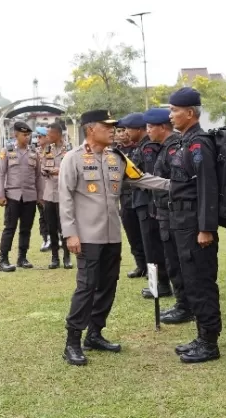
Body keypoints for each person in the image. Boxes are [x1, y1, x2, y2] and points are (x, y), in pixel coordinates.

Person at [59, 109, 169, 366]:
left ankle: (94, 334)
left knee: (108, 286)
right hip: (87, 236)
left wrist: (175, 185)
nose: (113, 130)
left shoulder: (116, 158)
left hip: (111, 236)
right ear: (90, 129)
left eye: (114, 126)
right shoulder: (73, 159)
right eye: (106, 126)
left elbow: (141, 179)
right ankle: (72, 342)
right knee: (86, 287)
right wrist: (70, 234)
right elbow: (64, 199)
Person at [164, 88, 222, 363]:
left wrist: (206, 228)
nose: (170, 115)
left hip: (194, 226)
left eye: (174, 110)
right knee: (191, 281)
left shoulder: (199, 143)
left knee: (201, 282)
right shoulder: (185, 141)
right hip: (182, 222)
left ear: (190, 113)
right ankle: (202, 336)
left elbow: (207, 187)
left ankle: (210, 343)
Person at [147, 107, 193, 324]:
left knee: (177, 261)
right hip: (165, 212)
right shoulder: (165, 147)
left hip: (174, 213)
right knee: (172, 259)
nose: (147, 131)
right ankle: (183, 304)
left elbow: (177, 183)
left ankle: (185, 307)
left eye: (150, 127)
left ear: (162, 127)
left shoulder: (173, 148)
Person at [123, 112, 172, 299]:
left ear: (138, 129)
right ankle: (157, 283)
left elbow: (150, 179)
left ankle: (160, 285)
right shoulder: (140, 147)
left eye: (128, 129)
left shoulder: (148, 149)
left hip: (148, 203)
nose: (126, 132)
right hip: (142, 203)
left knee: (153, 247)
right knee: (148, 246)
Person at [0, 121, 43, 272]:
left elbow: (38, 177)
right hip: (13, 196)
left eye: (29, 134)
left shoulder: (34, 152)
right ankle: (3, 260)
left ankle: (22, 257)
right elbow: (1, 174)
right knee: (10, 228)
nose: (27, 137)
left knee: (26, 229)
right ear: (15, 134)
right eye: (24, 134)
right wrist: (0, 194)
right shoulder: (7, 151)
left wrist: (40, 196)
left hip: (30, 196)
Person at [115, 121, 147, 279]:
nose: (121, 133)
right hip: (125, 197)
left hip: (141, 195)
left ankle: (152, 268)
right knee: (132, 234)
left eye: (124, 130)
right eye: (118, 131)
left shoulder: (139, 148)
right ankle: (140, 265)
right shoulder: (115, 152)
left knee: (146, 234)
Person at [41, 123, 72, 269]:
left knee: (64, 227)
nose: (47, 137)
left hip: (64, 194)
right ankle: (55, 258)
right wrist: (48, 170)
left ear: (58, 134)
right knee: (51, 227)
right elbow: (42, 169)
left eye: (49, 134)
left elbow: (73, 170)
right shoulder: (46, 149)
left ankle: (67, 257)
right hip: (49, 194)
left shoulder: (70, 149)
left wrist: (60, 171)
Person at [35, 127, 51, 252]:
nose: (37, 139)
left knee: (56, 215)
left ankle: (57, 238)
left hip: (54, 188)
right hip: (40, 189)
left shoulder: (56, 150)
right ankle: (46, 239)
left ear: (47, 137)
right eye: (37, 136)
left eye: (40, 136)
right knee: (42, 215)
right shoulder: (35, 152)